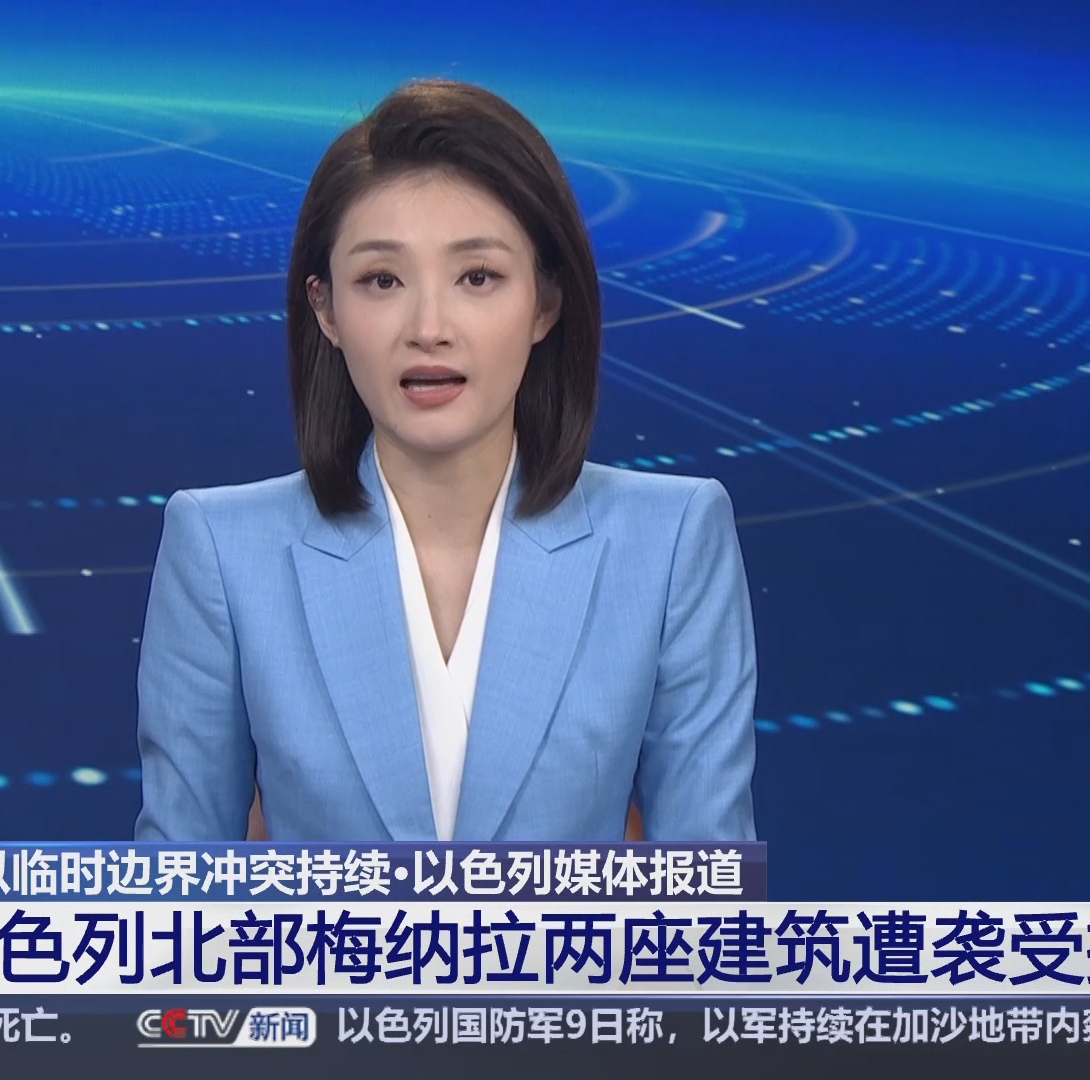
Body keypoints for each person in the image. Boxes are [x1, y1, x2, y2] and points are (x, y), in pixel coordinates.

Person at [134, 77, 756, 842]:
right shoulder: (222, 551)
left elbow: (710, 887)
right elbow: (178, 893)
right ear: (325, 308)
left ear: (546, 302)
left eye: (477, 277)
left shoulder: (671, 541)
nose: (429, 328)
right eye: (382, 280)